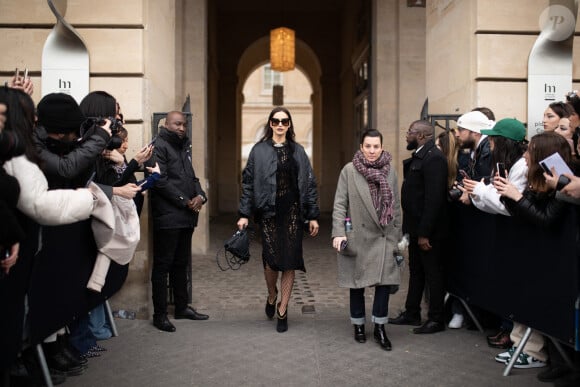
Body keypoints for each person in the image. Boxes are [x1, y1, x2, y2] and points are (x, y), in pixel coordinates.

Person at [492, 132, 574, 370]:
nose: (525, 156)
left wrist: (516, 196)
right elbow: (522, 212)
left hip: (554, 257)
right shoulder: (535, 180)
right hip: (533, 253)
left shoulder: (564, 182)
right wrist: (507, 194)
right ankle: (524, 348)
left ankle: (541, 355)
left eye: (530, 152)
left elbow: (546, 220)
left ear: (542, 156)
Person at [237, 107, 320, 333]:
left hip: (293, 212)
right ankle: (272, 294)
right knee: (271, 260)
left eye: (284, 121)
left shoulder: (299, 151)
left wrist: (312, 215)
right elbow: (247, 183)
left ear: (290, 124)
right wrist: (244, 214)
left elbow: (310, 183)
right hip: (268, 212)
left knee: (289, 260)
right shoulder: (259, 150)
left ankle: (283, 308)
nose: (280, 124)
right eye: (276, 121)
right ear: (270, 124)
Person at [331, 129, 402, 350]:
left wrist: (397, 234)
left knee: (384, 284)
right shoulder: (349, 171)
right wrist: (338, 232)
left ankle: (380, 327)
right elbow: (340, 204)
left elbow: (396, 206)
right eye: (368, 146)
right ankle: (358, 324)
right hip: (359, 235)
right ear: (361, 147)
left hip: (385, 235)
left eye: (376, 146)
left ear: (382, 147)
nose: (372, 151)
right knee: (357, 282)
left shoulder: (390, 171)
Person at [149, 110, 209, 333]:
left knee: (181, 263)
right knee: (163, 265)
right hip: (168, 217)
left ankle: (182, 307)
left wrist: (201, 196)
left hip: (185, 217)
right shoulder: (158, 146)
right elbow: (159, 181)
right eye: (177, 124)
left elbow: (192, 178)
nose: (182, 128)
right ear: (166, 124)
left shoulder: (183, 147)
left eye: (184, 124)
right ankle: (160, 315)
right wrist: (185, 201)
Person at [389, 120, 449, 334]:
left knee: (433, 274)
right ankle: (412, 312)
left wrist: (424, 233)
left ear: (421, 136)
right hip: (414, 228)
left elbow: (434, 200)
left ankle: (436, 318)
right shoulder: (421, 155)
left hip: (428, 232)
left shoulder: (434, 159)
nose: (406, 136)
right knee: (416, 271)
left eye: (409, 132)